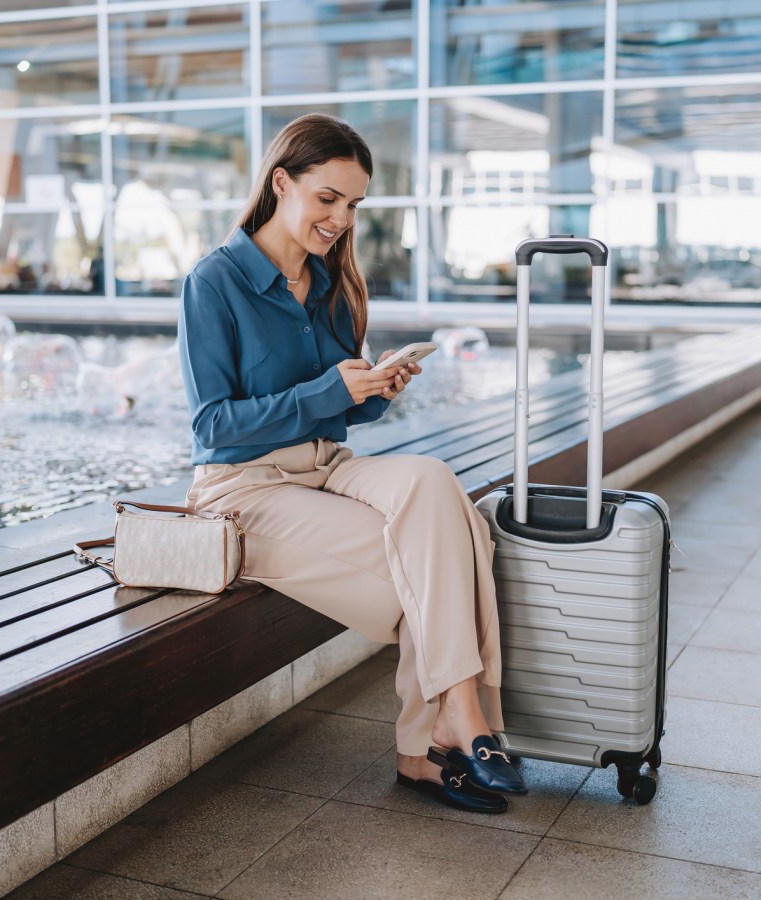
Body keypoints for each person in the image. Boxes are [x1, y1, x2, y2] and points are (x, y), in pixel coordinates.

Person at [177, 113, 525, 814]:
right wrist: (329, 390)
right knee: (443, 556)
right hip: (242, 487)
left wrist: (373, 392)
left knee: (432, 486)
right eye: (328, 198)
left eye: (354, 204)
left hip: (327, 463)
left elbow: (337, 412)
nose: (341, 219)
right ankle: (446, 731)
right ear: (282, 183)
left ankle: (443, 728)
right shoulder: (214, 282)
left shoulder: (334, 283)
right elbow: (213, 424)